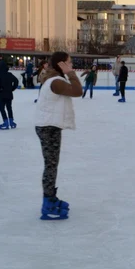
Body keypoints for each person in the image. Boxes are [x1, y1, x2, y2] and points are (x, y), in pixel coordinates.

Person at [34, 51, 83, 220]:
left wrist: (68, 73)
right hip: (49, 127)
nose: (72, 66)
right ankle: (48, 202)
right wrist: (71, 74)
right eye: (69, 63)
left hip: (48, 125)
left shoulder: (54, 80)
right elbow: (78, 91)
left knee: (52, 165)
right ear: (61, 64)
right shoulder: (56, 81)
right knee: (51, 165)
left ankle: (50, 197)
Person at [0, 60, 19, 130]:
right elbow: (16, 81)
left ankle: (6, 121)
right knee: (9, 107)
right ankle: (11, 121)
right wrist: (12, 89)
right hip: (9, 94)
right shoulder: (9, 74)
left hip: (1, 95)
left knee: (2, 108)